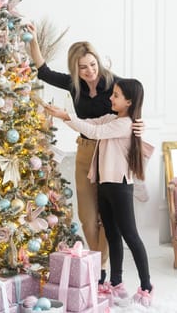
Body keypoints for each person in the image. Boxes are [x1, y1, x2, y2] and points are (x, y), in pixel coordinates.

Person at [26, 23, 144, 286]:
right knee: (88, 218)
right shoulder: (73, 85)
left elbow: (133, 100)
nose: (90, 71)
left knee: (109, 220)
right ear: (75, 69)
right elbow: (43, 71)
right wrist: (33, 40)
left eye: (92, 64)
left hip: (110, 155)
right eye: (83, 67)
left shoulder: (113, 82)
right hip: (85, 151)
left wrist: (139, 124)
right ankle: (99, 263)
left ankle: (102, 271)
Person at [44, 78, 154, 307]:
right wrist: (64, 114)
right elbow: (89, 125)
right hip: (105, 184)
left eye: (116, 95)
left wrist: (66, 116)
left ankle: (146, 287)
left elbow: (95, 132)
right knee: (112, 235)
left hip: (120, 186)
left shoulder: (124, 124)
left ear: (129, 101)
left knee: (130, 236)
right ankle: (116, 283)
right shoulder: (113, 118)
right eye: (112, 93)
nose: (111, 98)